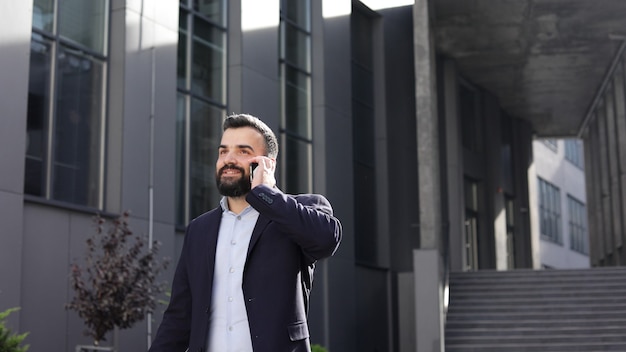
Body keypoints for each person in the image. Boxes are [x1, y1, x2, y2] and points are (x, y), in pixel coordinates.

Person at [149, 113, 342, 352]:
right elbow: (178, 318)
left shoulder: (298, 212)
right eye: (223, 151)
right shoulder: (199, 230)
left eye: (242, 151)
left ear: (267, 163)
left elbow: (326, 240)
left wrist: (266, 193)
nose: (228, 159)